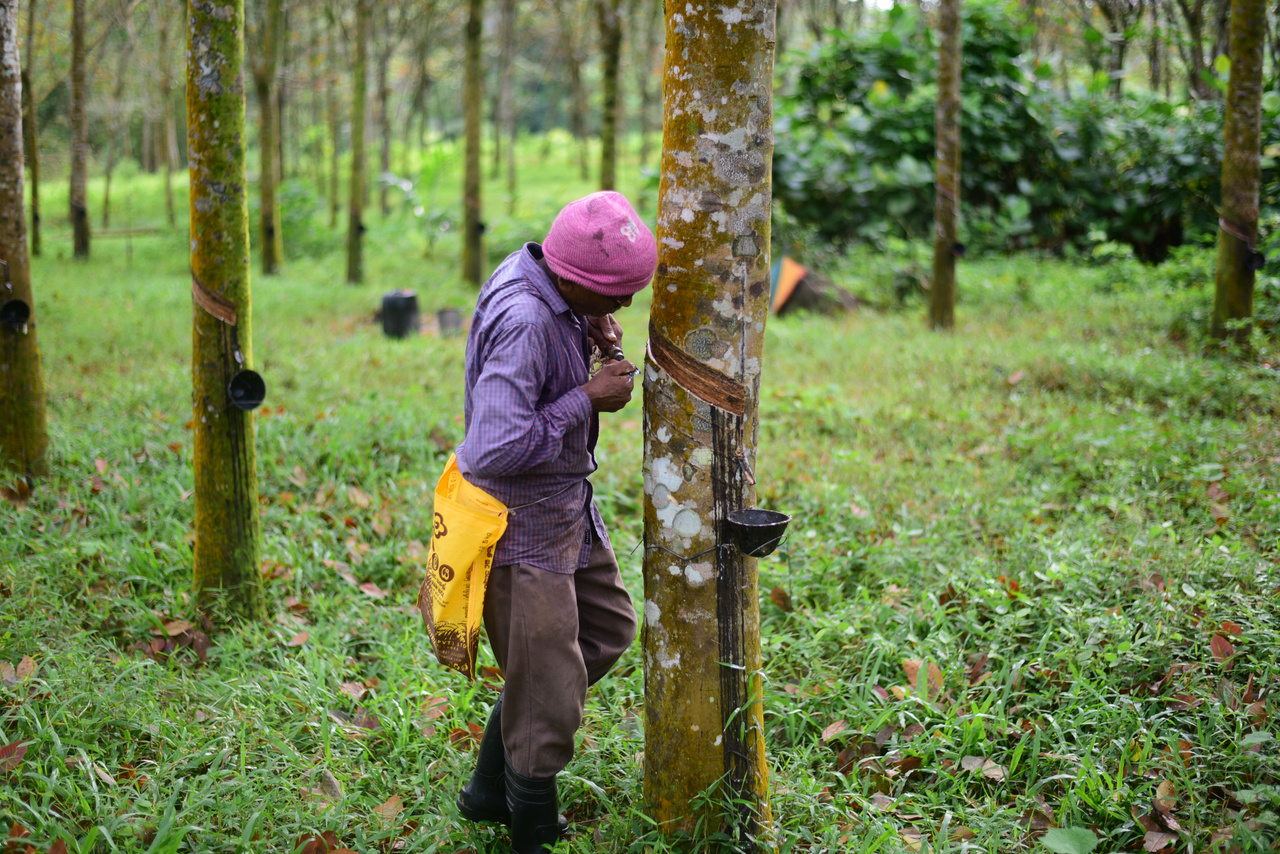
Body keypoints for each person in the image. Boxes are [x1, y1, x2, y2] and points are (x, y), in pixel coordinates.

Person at [452, 191, 656, 853]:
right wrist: (586, 398)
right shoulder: (526, 320)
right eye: (616, 296)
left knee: (608, 629)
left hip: (566, 506)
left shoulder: (544, 277)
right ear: (571, 278)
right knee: (549, 699)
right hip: (522, 526)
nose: (626, 305)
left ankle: (491, 784)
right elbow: (494, 447)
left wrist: (588, 327)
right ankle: (529, 828)